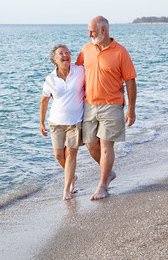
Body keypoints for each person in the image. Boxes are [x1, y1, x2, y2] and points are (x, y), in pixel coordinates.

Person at [76, 16, 137, 200]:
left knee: (105, 145)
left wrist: (131, 110)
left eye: (92, 31)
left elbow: (130, 81)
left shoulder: (120, 52)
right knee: (90, 144)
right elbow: (75, 73)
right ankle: (108, 172)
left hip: (112, 104)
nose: (89, 35)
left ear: (103, 30)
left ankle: (102, 185)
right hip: (89, 104)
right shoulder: (86, 49)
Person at [40, 44, 85, 200]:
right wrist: (41, 122)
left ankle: (67, 188)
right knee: (59, 155)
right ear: (54, 59)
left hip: (75, 122)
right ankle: (72, 176)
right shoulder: (50, 79)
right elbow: (44, 100)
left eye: (68, 52)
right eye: (61, 53)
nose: (66, 55)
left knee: (71, 153)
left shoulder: (80, 71)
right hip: (56, 122)